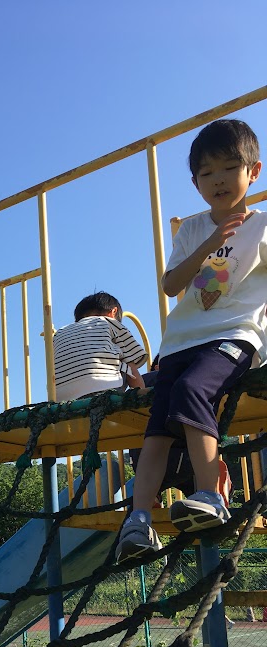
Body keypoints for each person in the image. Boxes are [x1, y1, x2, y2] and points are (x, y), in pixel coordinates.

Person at [116, 119, 266, 563]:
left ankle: (210, 493)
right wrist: (211, 243)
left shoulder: (262, 227)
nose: (218, 179)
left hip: (235, 334)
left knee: (192, 389)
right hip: (181, 341)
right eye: (206, 172)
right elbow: (171, 285)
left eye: (229, 167)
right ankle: (138, 519)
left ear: (253, 171)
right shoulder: (193, 229)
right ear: (196, 183)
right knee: (157, 429)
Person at [53, 291, 147, 402]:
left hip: (61, 398)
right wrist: (142, 395)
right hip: (104, 389)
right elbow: (132, 368)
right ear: (114, 312)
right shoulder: (109, 322)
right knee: (126, 360)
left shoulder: (59, 332)